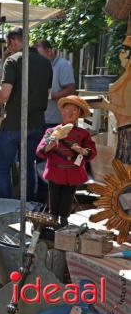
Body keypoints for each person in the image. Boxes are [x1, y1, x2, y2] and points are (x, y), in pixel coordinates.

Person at [0, 27, 52, 201]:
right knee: (28, 167)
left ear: (13, 41)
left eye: (8, 45)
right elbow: (46, 92)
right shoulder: (45, 62)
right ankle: (28, 205)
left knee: (2, 167)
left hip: (13, 124)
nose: (8, 49)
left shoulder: (13, 60)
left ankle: (5, 205)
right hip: (36, 124)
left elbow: (5, 93)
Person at [36, 96, 96, 226]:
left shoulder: (83, 134)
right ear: (61, 111)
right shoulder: (52, 131)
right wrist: (49, 146)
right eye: (66, 109)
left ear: (79, 113)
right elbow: (40, 151)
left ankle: (64, 220)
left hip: (73, 173)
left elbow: (92, 152)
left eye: (74, 110)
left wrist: (82, 151)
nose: (69, 112)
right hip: (55, 171)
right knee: (54, 197)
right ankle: (53, 218)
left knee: (68, 198)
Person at [100, 35, 131, 164]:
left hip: (128, 130)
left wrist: (105, 105)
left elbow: (128, 110)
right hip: (124, 128)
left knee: (125, 170)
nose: (120, 56)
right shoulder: (127, 76)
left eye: (123, 52)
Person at [35, 40, 76, 129]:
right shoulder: (41, 65)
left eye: (40, 55)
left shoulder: (63, 65)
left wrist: (49, 96)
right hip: (40, 119)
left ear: (49, 51)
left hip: (55, 121)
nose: (38, 58)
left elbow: (71, 89)